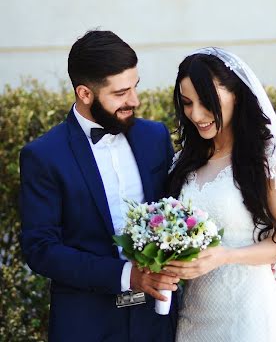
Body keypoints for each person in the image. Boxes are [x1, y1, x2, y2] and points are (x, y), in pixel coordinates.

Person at [19, 30, 179, 342]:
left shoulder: (155, 137)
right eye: (120, 93)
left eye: (135, 87)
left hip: (156, 320)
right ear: (85, 93)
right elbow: (41, 249)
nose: (134, 100)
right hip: (86, 325)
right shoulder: (43, 156)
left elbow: (175, 213)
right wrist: (125, 276)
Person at [166, 47, 276, 342]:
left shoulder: (264, 157)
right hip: (193, 316)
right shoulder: (183, 161)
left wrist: (227, 256)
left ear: (235, 93)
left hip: (250, 314)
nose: (196, 114)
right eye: (187, 103)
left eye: (206, 101)